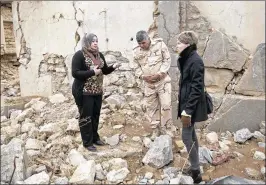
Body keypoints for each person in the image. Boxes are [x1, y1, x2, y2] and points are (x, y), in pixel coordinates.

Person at [71, 33, 121, 152]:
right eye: (92, 41)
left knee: (95, 116)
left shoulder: (99, 55)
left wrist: (113, 67)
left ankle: (95, 138)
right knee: (86, 117)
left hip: (97, 91)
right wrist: (92, 72)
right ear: (87, 43)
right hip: (84, 92)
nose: (95, 43)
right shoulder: (79, 55)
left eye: (97, 41)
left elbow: (104, 70)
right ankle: (87, 142)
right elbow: (75, 73)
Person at [176, 31, 208, 183]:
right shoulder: (187, 58)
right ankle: (195, 166)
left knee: (186, 137)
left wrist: (187, 111)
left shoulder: (195, 61)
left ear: (187, 44)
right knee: (192, 135)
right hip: (187, 103)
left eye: (179, 42)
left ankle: (196, 172)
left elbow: (197, 88)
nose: (177, 45)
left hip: (191, 106)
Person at [132, 30, 175, 140]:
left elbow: (167, 59)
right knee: (151, 108)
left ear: (148, 39)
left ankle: (167, 130)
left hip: (163, 82)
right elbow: (135, 67)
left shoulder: (160, 44)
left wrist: (161, 73)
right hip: (148, 85)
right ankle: (155, 130)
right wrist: (143, 76)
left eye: (143, 43)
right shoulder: (136, 51)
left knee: (166, 105)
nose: (142, 45)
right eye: (139, 43)